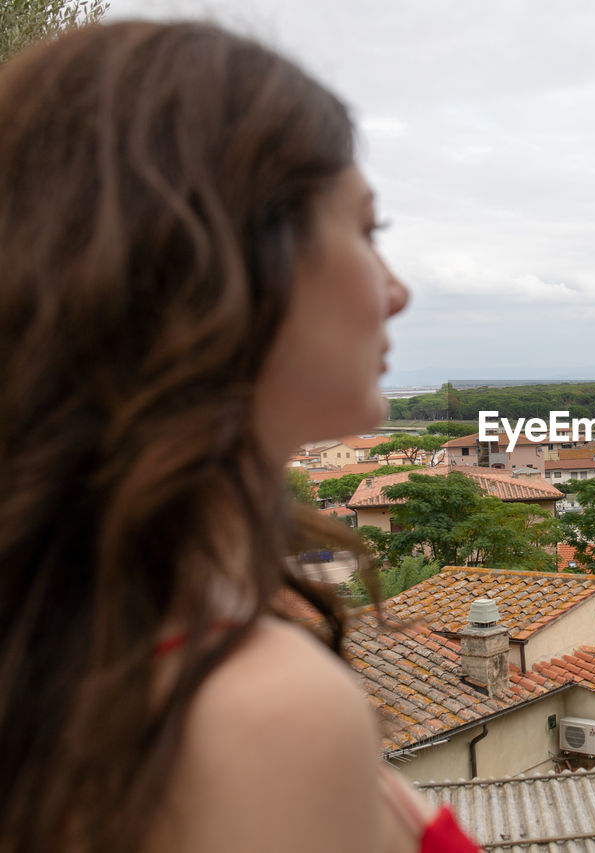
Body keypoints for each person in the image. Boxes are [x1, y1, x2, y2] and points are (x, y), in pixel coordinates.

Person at [0, 20, 477, 853]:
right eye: (367, 231)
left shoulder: (76, 651)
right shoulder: (261, 710)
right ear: (226, 264)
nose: (396, 291)